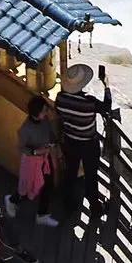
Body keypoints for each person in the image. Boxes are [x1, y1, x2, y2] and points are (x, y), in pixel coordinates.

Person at [55, 63, 112, 215]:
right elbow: (107, 106)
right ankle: (95, 207)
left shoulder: (60, 99)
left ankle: (68, 206)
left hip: (70, 141)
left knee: (70, 172)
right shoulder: (89, 101)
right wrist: (106, 85)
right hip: (88, 143)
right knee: (91, 175)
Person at [11, 95, 58, 227]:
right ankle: (12, 201)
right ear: (37, 114)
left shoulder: (45, 120)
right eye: (44, 111)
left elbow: (49, 132)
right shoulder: (26, 129)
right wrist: (37, 152)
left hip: (44, 160)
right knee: (26, 187)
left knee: (47, 185)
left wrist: (53, 142)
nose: (46, 113)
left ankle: (41, 215)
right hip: (32, 162)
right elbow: (22, 148)